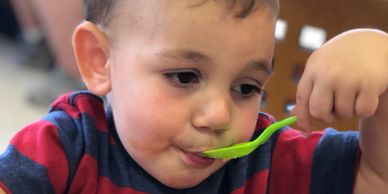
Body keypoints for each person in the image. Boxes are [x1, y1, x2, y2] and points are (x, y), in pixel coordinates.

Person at [0, 0, 387, 193]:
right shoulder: (62, 149)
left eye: (246, 87)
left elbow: (376, 175)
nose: (219, 115)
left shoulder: (269, 163)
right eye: (184, 76)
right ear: (100, 60)